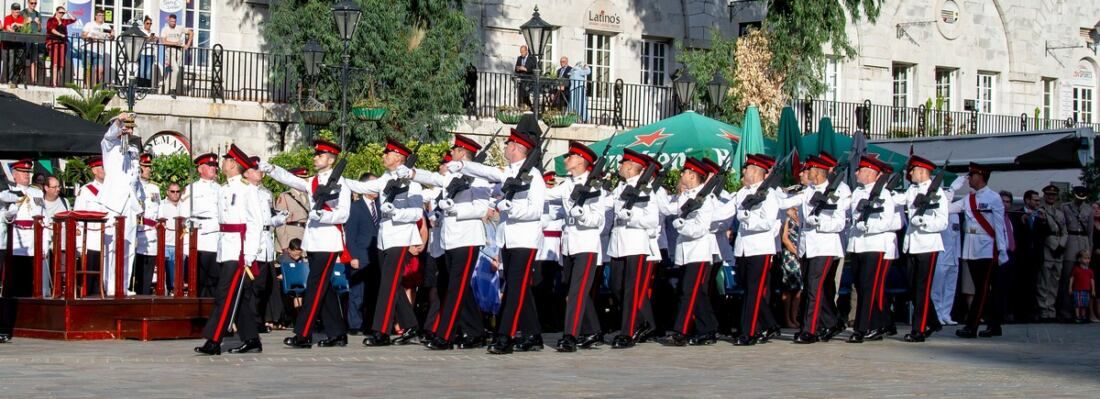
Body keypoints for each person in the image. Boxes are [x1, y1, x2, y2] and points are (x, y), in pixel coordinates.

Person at [448, 115, 546, 354]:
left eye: (508, 144)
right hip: (508, 238)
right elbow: (488, 171)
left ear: (516, 148)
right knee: (517, 286)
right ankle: (533, 335)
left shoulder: (535, 177)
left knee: (514, 290)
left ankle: (506, 336)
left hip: (525, 239)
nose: (505, 147)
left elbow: (535, 210)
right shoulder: (509, 172)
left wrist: (510, 208)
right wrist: (463, 165)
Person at [261, 140, 351, 349]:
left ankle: (303, 334)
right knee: (324, 289)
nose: (315, 158)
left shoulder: (341, 183)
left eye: (319, 156)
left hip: (329, 242)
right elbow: (291, 179)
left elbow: (344, 213)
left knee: (314, 287)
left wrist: (324, 216)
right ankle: (338, 333)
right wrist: (271, 169)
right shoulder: (313, 181)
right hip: (314, 241)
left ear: (330, 160)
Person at [408, 134, 490, 350]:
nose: (451, 154)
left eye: (454, 150)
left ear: (462, 154)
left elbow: (482, 208)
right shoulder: (451, 176)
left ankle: (445, 335)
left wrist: (455, 209)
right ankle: (475, 332)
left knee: (455, 288)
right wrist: (412, 173)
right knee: (461, 289)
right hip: (450, 240)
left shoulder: (478, 178)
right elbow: (434, 178)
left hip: (468, 238)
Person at [343, 139, 425, 347]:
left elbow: (417, 212)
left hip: (400, 238)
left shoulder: (412, 183)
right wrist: (339, 180)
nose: (383, 156)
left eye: (387, 153)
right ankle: (411, 325)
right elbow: (362, 186)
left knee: (387, 285)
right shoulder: (384, 179)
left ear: (398, 157)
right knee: (392, 285)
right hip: (383, 240)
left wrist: (396, 212)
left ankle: (381, 332)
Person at [194, 146, 263, 355]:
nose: (221, 164)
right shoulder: (224, 189)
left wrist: (250, 254)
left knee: (224, 294)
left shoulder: (246, 189)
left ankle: (214, 340)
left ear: (233, 164)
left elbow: (255, 223)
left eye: (225, 160)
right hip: (226, 247)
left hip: (239, 251)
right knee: (238, 296)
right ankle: (251, 339)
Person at [540, 141, 607, 352]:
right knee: (574, 289)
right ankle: (593, 330)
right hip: (569, 245)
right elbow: (544, 195)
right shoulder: (567, 185)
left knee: (576, 293)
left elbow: (599, 220)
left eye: (570, 156)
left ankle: (570, 335)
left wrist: (583, 214)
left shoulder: (595, 186)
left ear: (580, 161)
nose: (566, 159)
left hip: (586, 245)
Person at [785, 154, 850, 343]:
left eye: (809, 169)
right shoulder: (808, 191)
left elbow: (839, 223)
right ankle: (830, 323)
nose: (805, 172)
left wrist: (819, 222)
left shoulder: (837, 190)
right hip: (807, 247)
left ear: (819, 172)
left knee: (814, 287)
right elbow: (786, 202)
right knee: (815, 288)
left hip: (826, 246)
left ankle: (810, 330)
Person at [655, 157, 718, 346]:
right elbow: (667, 208)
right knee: (697, 293)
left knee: (688, 292)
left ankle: (680, 331)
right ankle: (708, 328)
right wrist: (655, 185)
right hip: (685, 254)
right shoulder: (685, 195)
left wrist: (682, 226)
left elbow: (700, 228)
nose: (681, 175)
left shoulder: (705, 198)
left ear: (692, 175)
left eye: (684, 172)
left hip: (698, 252)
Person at [606, 149, 661, 349]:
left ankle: (627, 333)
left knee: (631, 290)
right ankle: (642, 323)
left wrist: (632, 217)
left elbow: (653, 220)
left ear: (630, 166)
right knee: (616, 287)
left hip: (635, 243)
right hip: (617, 243)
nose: (619, 166)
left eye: (622, 163)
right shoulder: (620, 187)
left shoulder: (645, 190)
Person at [846, 156, 901, 343]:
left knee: (869, 287)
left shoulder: (883, 194)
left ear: (869, 173)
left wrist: (869, 227)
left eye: (860, 170)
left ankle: (861, 329)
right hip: (857, 245)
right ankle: (877, 324)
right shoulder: (857, 192)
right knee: (861, 287)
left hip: (874, 245)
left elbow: (887, 221)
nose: (856, 173)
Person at [951, 163, 1009, 338]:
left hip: (986, 248)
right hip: (971, 248)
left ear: (981, 177)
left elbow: (999, 226)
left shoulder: (993, 198)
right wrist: (951, 190)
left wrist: (1002, 249)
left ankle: (972, 326)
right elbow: (947, 209)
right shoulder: (969, 198)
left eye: (972, 175)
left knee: (982, 290)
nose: (969, 178)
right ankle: (995, 325)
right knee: (983, 290)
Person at [898, 155, 949, 342]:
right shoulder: (912, 190)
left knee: (921, 288)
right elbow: (900, 200)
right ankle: (933, 321)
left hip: (928, 245)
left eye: (912, 170)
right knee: (913, 288)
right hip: (912, 245)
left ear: (922, 171)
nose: (909, 173)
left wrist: (924, 221)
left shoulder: (937, 192)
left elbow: (943, 221)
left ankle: (918, 330)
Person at [98, 114, 143, 297]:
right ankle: (110, 284)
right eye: (125, 126)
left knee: (129, 245)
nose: (128, 130)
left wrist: (140, 200)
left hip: (129, 202)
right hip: (113, 202)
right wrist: (118, 122)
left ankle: (123, 284)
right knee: (112, 246)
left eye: (130, 126)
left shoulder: (132, 150)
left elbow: (135, 178)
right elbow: (109, 136)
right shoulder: (109, 146)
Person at [246, 156, 286, 334]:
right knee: (252, 286)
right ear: (246, 173)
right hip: (252, 242)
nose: (260, 172)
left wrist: (278, 219)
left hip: (266, 241)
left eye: (260, 168)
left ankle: (259, 318)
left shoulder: (266, 193)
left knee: (263, 286)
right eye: (255, 169)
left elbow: (268, 218)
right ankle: (251, 321)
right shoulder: (243, 191)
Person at [181, 153, 222, 297]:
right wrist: (187, 245)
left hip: (216, 239)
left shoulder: (220, 189)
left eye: (215, 166)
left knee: (215, 279)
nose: (213, 168)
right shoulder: (192, 188)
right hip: (200, 239)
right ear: (200, 169)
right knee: (200, 280)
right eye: (209, 166)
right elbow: (184, 218)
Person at [344, 173, 380, 336]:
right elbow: (350, 234)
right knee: (357, 292)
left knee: (373, 293)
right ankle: (354, 324)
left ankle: (370, 323)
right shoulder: (355, 207)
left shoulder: (381, 206)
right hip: (360, 255)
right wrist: (353, 256)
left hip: (377, 256)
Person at [72, 156, 107, 296]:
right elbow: (78, 215)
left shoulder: (112, 189)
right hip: (91, 237)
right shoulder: (86, 190)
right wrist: (80, 243)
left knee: (105, 274)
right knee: (90, 274)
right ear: (94, 170)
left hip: (108, 237)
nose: (105, 171)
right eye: (102, 168)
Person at [1058, 186, 1093, 322]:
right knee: (1068, 276)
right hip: (1070, 241)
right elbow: (1062, 227)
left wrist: (1089, 248)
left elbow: (1090, 231)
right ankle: (1065, 311)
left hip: (1083, 241)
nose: (1080, 199)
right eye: (1078, 196)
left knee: (1083, 278)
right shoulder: (1065, 207)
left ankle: (1082, 313)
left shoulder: (1088, 209)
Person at [1036, 184, 1067, 321]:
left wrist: (1061, 245)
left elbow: (1065, 232)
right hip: (1048, 249)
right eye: (1048, 194)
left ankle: (1051, 309)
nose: (1051, 197)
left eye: (1053, 195)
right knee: (1044, 281)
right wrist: (1054, 246)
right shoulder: (1041, 211)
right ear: (1045, 195)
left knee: (1055, 282)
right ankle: (1043, 309)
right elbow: (1043, 233)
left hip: (1059, 250)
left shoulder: (1060, 213)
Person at [133, 153, 161, 295]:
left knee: (149, 269)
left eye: (150, 167)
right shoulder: (133, 187)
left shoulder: (155, 189)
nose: (149, 170)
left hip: (151, 233)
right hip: (137, 230)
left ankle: (145, 294)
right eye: (146, 167)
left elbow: (159, 211)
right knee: (136, 271)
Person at [274, 168, 310, 255]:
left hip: (305, 238)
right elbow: (280, 223)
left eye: (305, 179)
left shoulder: (308, 196)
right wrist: (285, 245)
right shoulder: (285, 196)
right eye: (301, 179)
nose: (305, 181)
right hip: (290, 238)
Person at [159, 182, 183, 292]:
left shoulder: (183, 205)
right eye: (172, 191)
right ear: (167, 192)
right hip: (166, 244)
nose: (175, 194)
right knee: (167, 272)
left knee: (178, 274)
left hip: (180, 244)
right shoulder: (162, 205)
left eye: (178, 191)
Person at [158, 13, 189, 97]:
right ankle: (172, 90)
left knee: (172, 71)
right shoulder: (165, 29)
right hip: (170, 51)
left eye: (174, 21)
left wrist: (188, 44)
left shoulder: (179, 28)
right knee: (175, 69)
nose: (173, 23)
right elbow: (164, 41)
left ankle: (166, 91)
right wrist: (175, 43)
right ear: (168, 21)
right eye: (171, 21)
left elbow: (191, 32)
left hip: (179, 51)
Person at [80, 9, 112, 88]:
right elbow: (82, 35)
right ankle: (86, 87)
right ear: (96, 16)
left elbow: (111, 37)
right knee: (88, 70)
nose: (101, 17)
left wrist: (112, 35)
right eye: (100, 15)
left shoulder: (106, 26)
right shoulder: (90, 24)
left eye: (103, 15)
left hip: (99, 51)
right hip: (88, 48)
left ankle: (95, 88)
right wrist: (89, 37)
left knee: (100, 70)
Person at [45, 6, 75, 87]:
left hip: (62, 43)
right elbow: (51, 29)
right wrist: (60, 34)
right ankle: (54, 83)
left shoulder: (63, 21)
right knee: (55, 63)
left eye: (63, 13)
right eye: (60, 12)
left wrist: (67, 12)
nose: (61, 14)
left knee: (61, 64)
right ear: (56, 12)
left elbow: (74, 19)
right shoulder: (51, 20)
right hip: (53, 42)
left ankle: (58, 82)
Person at [1068, 249, 1095, 323]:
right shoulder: (1076, 269)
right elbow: (1072, 278)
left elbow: (1092, 280)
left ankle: (1083, 316)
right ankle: (1077, 316)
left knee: (1084, 304)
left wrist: (1093, 290)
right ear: (1079, 259)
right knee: (1077, 304)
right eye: (1085, 258)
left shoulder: (1090, 271)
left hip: (1086, 290)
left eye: (1088, 258)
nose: (1087, 260)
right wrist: (1070, 288)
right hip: (1077, 290)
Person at [514, 45, 537, 109]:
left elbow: (534, 69)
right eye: (521, 52)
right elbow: (516, 68)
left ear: (526, 51)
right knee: (521, 95)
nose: (521, 54)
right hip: (521, 79)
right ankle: (523, 107)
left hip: (529, 80)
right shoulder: (519, 58)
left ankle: (531, 108)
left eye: (523, 52)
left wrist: (526, 69)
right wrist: (518, 68)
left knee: (526, 95)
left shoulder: (532, 58)